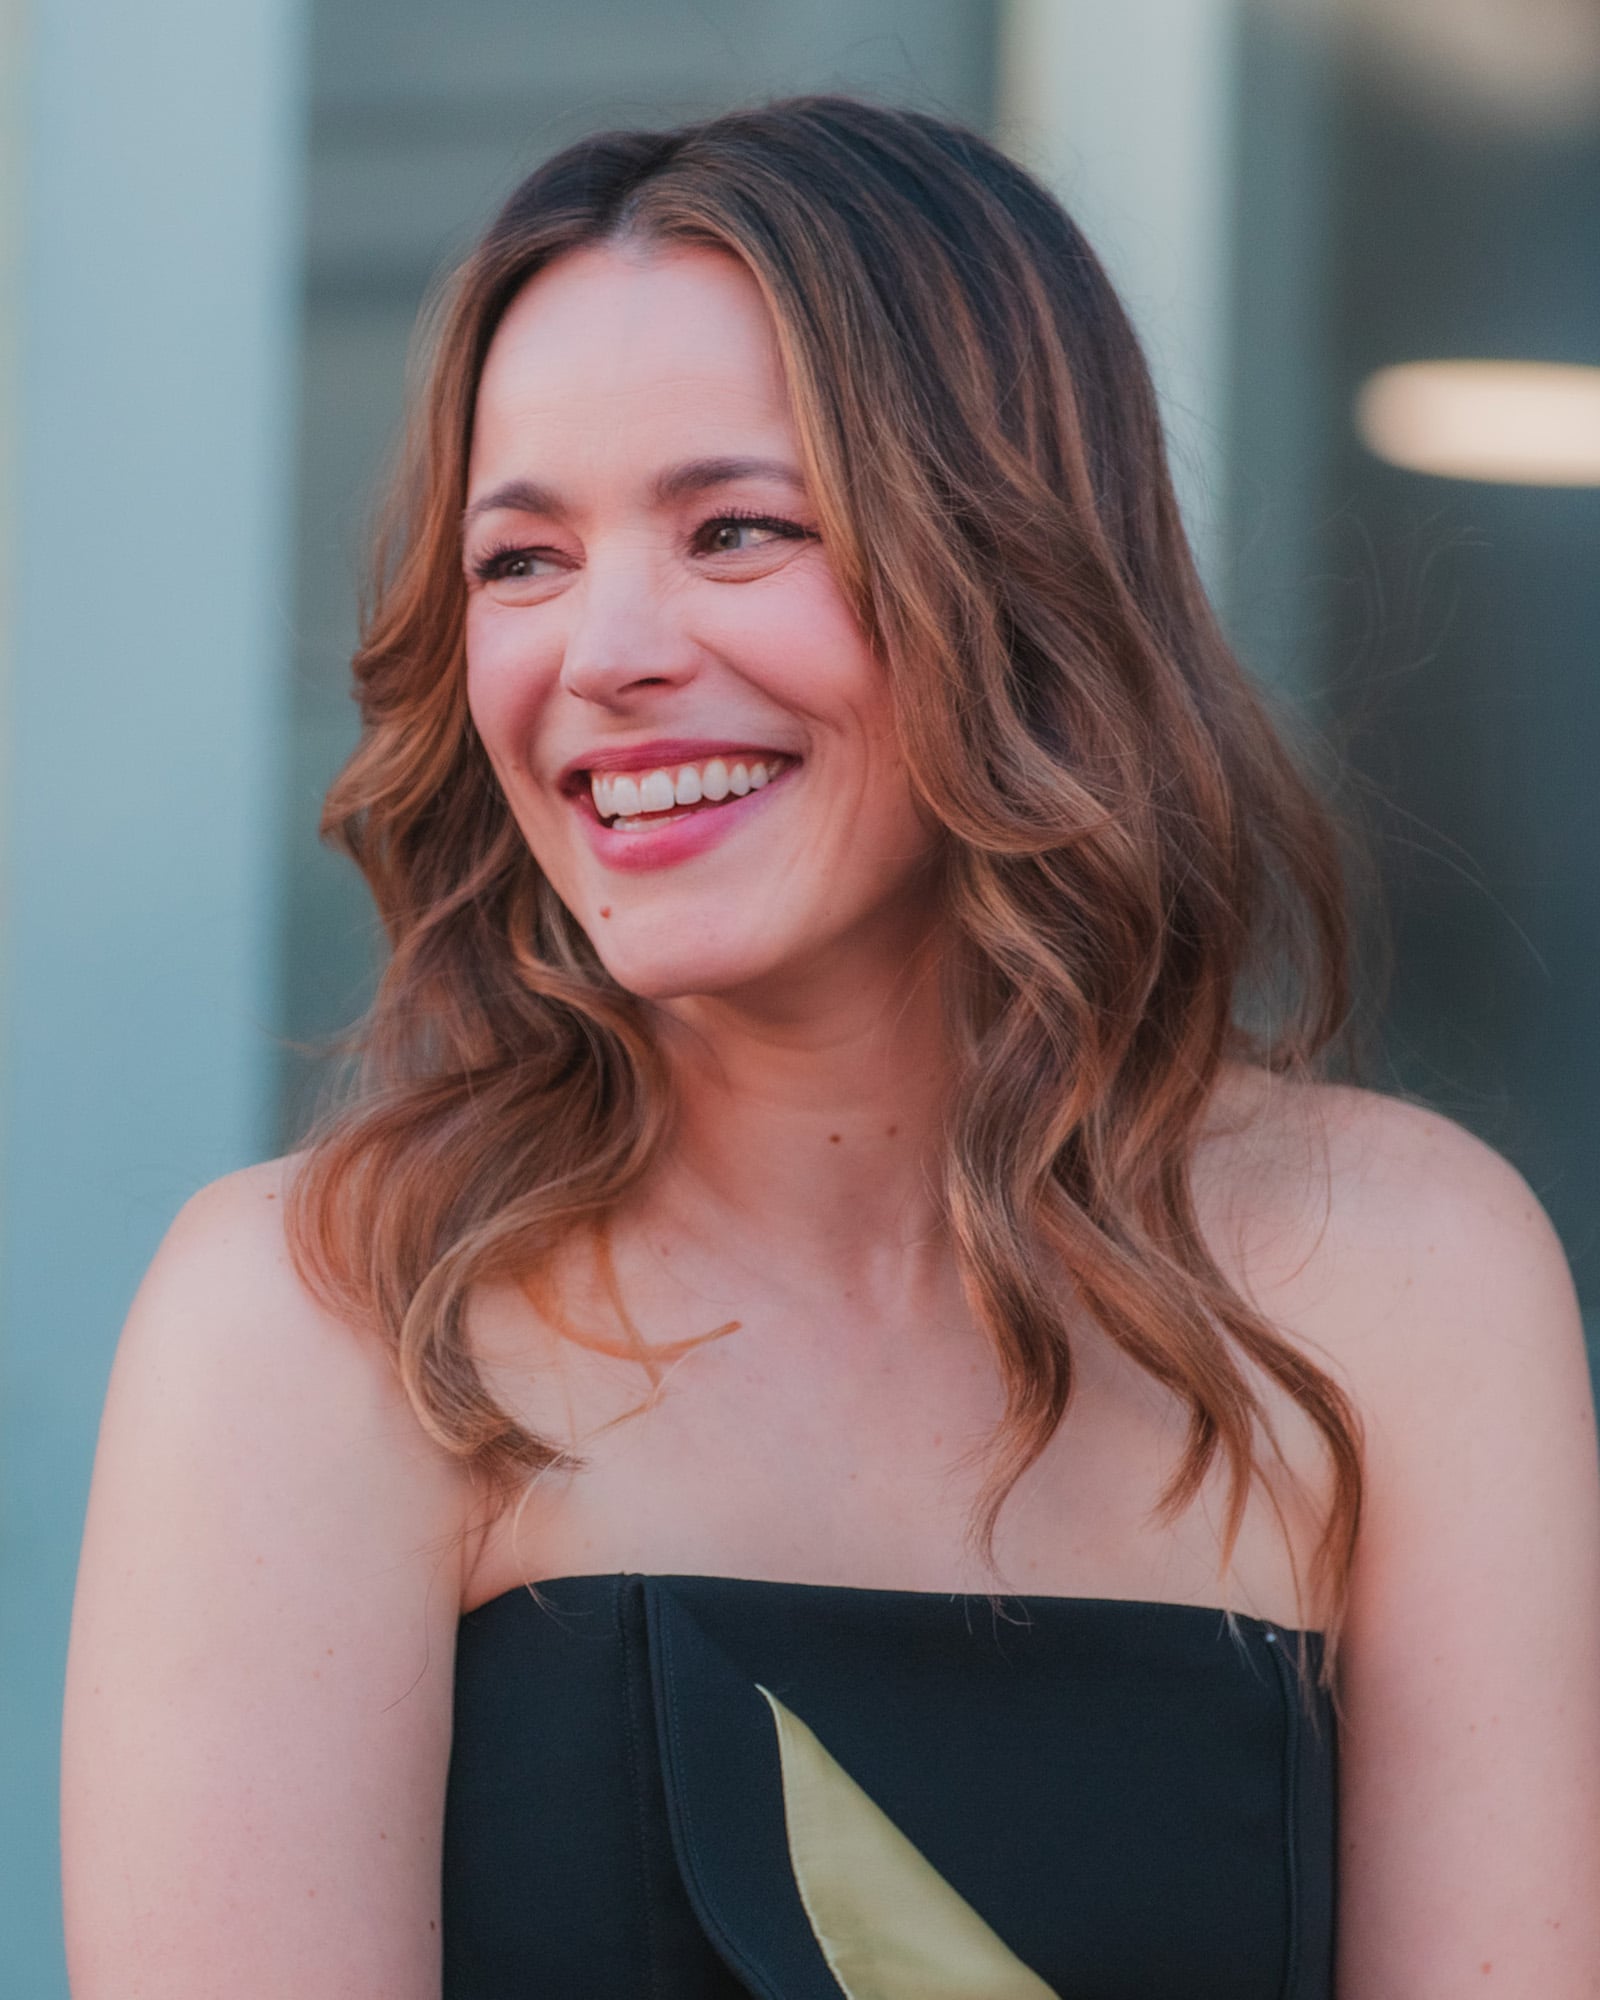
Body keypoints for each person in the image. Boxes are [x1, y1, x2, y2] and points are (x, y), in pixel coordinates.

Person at [61, 96, 1600, 1998]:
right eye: (519, 562)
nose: (600, 651)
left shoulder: (1407, 1277)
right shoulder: (319, 1318)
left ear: (1019, 578)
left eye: (738, 529)